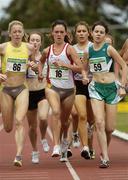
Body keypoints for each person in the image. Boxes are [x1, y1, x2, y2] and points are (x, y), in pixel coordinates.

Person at [38, 19, 86, 162]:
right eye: (56, 32)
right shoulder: (47, 50)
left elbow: (80, 67)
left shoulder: (69, 49)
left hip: (69, 89)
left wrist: (65, 65)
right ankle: (56, 146)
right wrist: (40, 73)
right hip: (53, 88)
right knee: (56, 113)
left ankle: (66, 141)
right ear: (52, 33)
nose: (59, 34)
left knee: (65, 121)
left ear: (65, 33)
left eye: (61, 32)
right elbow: (40, 62)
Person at [83, 21, 127, 168]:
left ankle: (104, 150)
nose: (98, 34)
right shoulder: (88, 51)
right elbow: (84, 68)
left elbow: (124, 65)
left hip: (112, 90)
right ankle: (105, 158)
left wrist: (123, 86)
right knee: (100, 123)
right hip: (96, 88)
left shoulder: (109, 49)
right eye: (96, 31)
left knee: (109, 128)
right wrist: (85, 76)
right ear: (92, 32)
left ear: (105, 35)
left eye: (102, 32)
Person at [0, 20, 35, 167]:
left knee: (20, 121)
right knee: (8, 127)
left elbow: (35, 66)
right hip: (6, 90)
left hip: (22, 88)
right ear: (9, 33)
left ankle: (18, 155)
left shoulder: (29, 48)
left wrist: (34, 66)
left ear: (23, 33)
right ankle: (8, 124)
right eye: (14, 31)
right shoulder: (2, 47)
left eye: (19, 31)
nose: (17, 34)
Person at [68, 21, 95, 159]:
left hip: (93, 85)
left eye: (84, 31)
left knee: (91, 120)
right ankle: (85, 147)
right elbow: (68, 67)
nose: (81, 33)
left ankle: (90, 146)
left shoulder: (93, 47)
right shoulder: (71, 49)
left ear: (88, 33)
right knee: (82, 116)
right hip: (78, 85)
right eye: (79, 31)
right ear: (75, 33)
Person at [26, 32, 50, 164]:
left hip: (42, 91)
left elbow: (46, 76)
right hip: (28, 94)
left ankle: (44, 138)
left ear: (41, 43)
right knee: (31, 127)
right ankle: (35, 150)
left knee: (43, 117)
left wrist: (37, 70)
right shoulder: (24, 57)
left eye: (37, 40)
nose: (35, 42)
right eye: (32, 40)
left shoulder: (44, 57)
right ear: (29, 42)